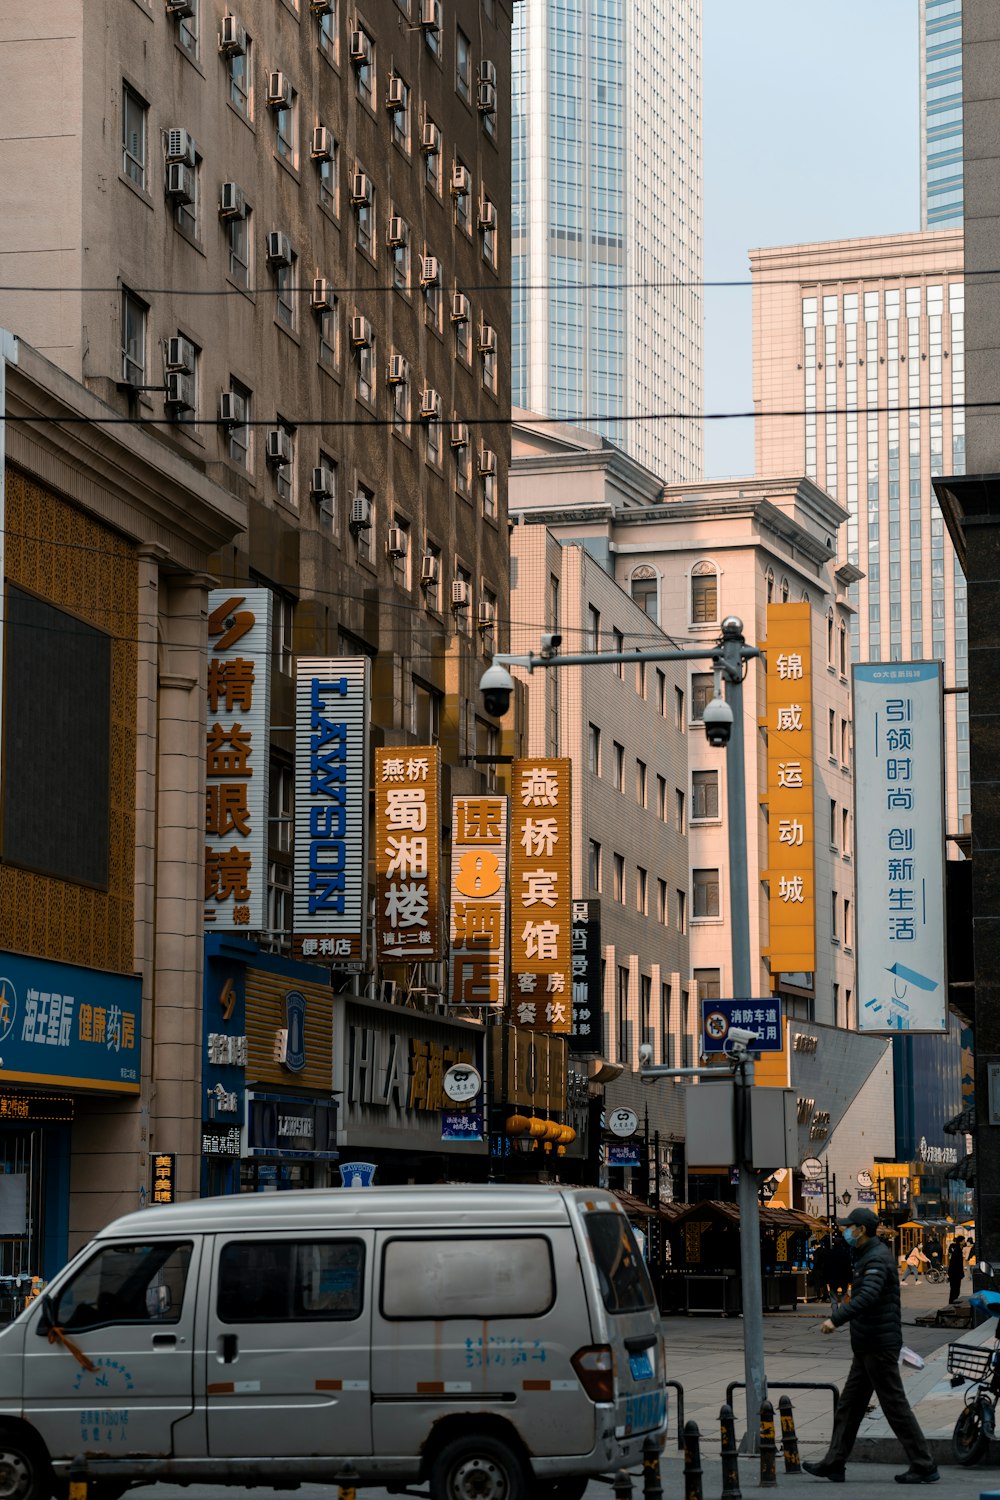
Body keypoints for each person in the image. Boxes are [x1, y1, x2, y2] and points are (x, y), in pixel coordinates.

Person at [803, 1207, 939, 1486]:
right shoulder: (867, 1255)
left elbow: (868, 1295)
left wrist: (836, 1319)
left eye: (848, 1226)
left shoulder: (876, 1258)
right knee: (850, 1406)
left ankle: (924, 1464)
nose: (845, 1231)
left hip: (879, 1345)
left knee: (894, 1406)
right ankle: (835, 1462)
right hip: (868, 1345)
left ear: (861, 1230)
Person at [827, 1231, 852, 1314]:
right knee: (843, 1297)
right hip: (843, 1279)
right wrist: (850, 1280)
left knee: (833, 1298)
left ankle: (835, 1313)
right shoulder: (845, 1254)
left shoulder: (830, 1253)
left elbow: (827, 1268)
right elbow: (848, 1268)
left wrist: (827, 1280)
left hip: (833, 1279)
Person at [948, 1236, 965, 1303]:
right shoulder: (957, 1250)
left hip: (955, 1273)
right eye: (963, 1241)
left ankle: (953, 1301)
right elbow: (957, 1264)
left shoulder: (958, 1249)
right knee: (955, 1289)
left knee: (955, 1289)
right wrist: (960, 1273)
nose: (964, 1242)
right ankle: (952, 1302)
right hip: (955, 1273)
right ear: (960, 1242)